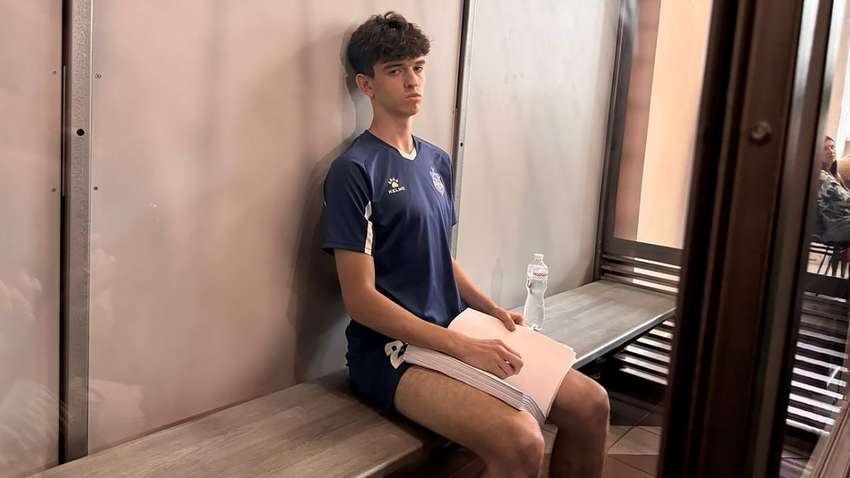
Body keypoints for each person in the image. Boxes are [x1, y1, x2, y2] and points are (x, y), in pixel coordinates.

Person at [322, 12, 609, 477]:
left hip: (455, 325)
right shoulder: (354, 170)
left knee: (592, 403)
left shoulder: (436, 161)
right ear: (366, 85)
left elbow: (442, 257)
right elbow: (360, 300)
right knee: (522, 441)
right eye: (395, 71)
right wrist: (460, 347)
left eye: (418, 67)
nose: (412, 81)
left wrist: (491, 309)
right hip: (390, 352)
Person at [816, 136, 850, 243]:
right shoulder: (820, 176)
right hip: (833, 227)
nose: (831, 151)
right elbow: (845, 200)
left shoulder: (833, 174)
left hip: (840, 221)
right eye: (825, 149)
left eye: (832, 147)